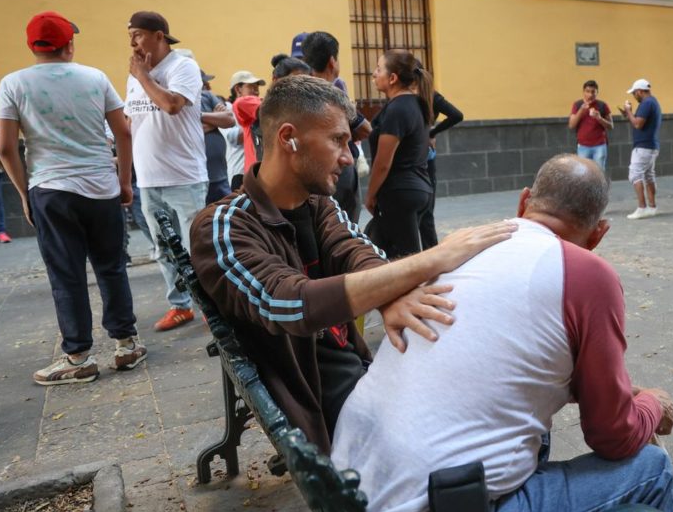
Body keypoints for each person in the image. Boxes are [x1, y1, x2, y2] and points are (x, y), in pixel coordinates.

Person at [332, 154, 673, 512]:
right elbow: (612, 435)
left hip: (352, 493)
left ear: (523, 202)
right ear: (598, 234)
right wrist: (653, 404)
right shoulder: (589, 274)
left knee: (538, 437)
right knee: (652, 467)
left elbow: (495, 361)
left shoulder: (463, 244)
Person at [188, 75, 514, 452]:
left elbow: (355, 250)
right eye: (338, 140)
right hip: (330, 419)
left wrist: (389, 296)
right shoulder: (224, 226)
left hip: (365, 381)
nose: (348, 156)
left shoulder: (316, 204)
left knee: (499, 387)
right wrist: (434, 258)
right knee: (501, 419)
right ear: (288, 137)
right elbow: (291, 303)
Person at [0, 11, 146, 384]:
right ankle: (126, 345)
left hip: (52, 190)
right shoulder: (94, 77)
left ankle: (78, 357)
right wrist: (124, 182)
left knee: (67, 274)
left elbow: (5, 147)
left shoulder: (12, 84)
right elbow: (123, 133)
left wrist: (25, 192)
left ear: (32, 46)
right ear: (70, 44)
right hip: (101, 187)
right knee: (111, 266)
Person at [124, 11, 208, 331]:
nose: (132, 41)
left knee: (194, 248)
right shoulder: (136, 74)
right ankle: (180, 305)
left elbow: (172, 105)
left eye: (138, 34)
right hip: (148, 178)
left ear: (160, 36)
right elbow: (133, 122)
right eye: (130, 35)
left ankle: (210, 307)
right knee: (162, 249)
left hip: (184, 177)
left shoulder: (182, 66)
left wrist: (144, 76)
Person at [365, 50, 435, 258]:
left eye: (379, 69)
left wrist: (370, 195)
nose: (374, 74)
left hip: (400, 193)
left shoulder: (398, 109)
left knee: (407, 261)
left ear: (393, 78)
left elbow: (383, 162)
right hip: (418, 190)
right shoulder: (416, 104)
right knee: (379, 250)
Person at [299, 31, 371, 222]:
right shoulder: (333, 94)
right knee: (343, 226)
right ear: (332, 61)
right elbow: (365, 129)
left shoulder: (298, 93)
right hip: (338, 171)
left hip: (308, 171)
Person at [417, 59, 463, 249]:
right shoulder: (432, 95)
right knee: (427, 214)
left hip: (413, 158)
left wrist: (430, 132)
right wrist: (432, 132)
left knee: (417, 215)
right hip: (428, 156)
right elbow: (457, 115)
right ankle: (431, 253)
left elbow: (457, 115)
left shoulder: (408, 98)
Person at [619, 78, 663, 220]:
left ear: (639, 91)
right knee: (649, 175)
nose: (634, 96)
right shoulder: (653, 102)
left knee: (634, 174)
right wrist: (629, 115)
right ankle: (652, 207)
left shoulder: (646, 103)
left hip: (643, 146)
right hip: (651, 145)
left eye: (634, 93)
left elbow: (638, 124)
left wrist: (629, 111)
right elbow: (639, 121)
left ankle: (642, 208)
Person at [199, 71, 235, 204]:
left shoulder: (207, 96)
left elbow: (229, 120)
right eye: (204, 83)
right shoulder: (180, 103)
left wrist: (201, 117)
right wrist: (215, 119)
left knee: (226, 213)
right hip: (198, 179)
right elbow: (190, 130)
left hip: (220, 175)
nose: (207, 86)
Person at [568, 79, 613, 171]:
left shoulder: (602, 105)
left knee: (599, 173)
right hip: (583, 146)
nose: (590, 95)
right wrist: (581, 111)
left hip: (600, 145)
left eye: (593, 92)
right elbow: (571, 125)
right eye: (588, 91)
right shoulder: (577, 105)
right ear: (583, 92)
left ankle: (600, 186)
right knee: (584, 173)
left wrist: (599, 118)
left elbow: (611, 126)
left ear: (597, 92)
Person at [229, 70, 267, 176]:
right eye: (252, 87)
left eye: (257, 88)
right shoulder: (241, 102)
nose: (256, 91)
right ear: (238, 89)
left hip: (251, 169)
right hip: (255, 169)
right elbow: (270, 109)